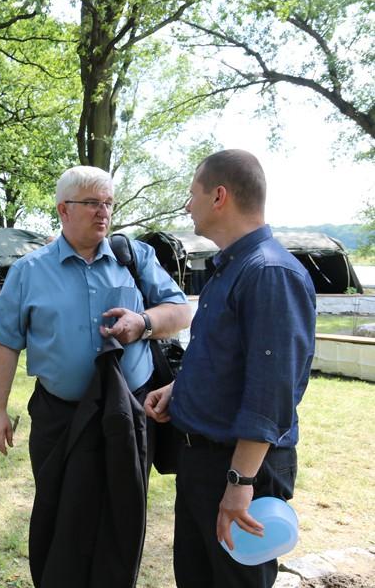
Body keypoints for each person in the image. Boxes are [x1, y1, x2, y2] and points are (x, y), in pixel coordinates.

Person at [0, 165, 192, 584]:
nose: (103, 213)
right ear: (63, 209)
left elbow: (181, 310)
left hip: (126, 413)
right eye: (92, 203)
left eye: (108, 203)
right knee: (62, 515)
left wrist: (143, 323)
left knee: (123, 514)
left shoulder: (135, 258)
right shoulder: (30, 270)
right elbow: (5, 341)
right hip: (60, 417)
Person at [144, 150, 316, 588]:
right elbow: (227, 356)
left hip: (239, 469)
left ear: (219, 196)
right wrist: (180, 388)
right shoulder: (234, 268)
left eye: (192, 194)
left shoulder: (269, 272)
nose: (187, 205)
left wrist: (241, 480)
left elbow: (271, 390)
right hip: (204, 463)